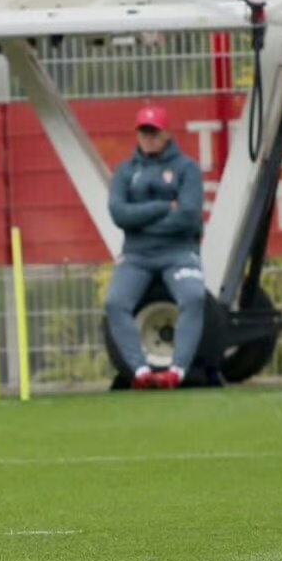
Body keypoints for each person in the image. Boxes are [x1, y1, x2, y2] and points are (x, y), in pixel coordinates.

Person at [106, 104, 206, 390]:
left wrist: (139, 222)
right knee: (115, 302)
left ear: (166, 134)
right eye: (144, 132)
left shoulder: (186, 169)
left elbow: (188, 217)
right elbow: (118, 214)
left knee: (194, 297)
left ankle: (177, 371)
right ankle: (139, 372)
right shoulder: (126, 171)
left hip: (178, 251)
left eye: (154, 132)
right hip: (137, 254)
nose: (148, 138)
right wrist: (163, 207)